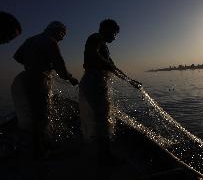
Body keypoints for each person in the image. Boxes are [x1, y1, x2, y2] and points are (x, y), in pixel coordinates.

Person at [11, 21, 78, 178]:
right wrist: (71, 78)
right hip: (39, 80)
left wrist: (33, 62)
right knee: (41, 116)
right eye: (63, 35)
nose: (62, 38)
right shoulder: (51, 42)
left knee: (34, 114)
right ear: (57, 31)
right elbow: (61, 68)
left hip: (26, 78)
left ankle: (41, 146)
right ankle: (41, 152)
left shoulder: (31, 39)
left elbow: (17, 56)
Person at [79, 19, 141, 178]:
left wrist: (131, 81)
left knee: (103, 118)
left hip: (98, 85)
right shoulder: (95, 38)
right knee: (101, 120)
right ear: (105, 30)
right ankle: (104, 157)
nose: (115, 37)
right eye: (114, 33)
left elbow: (114, 69)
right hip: (93, 84)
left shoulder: (104, 47)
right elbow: (94, 56)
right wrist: (109, 65)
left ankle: (104, 154)